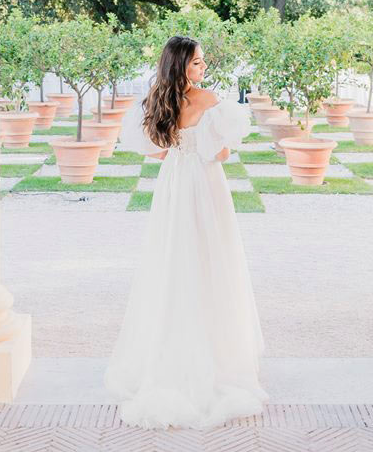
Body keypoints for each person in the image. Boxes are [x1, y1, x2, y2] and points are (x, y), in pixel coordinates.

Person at [104, 35, 268, 429]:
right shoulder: (209, 101)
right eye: (196, 63)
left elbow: (156, 149)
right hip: (205, 185)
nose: (203, 67)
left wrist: (180, 147)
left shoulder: (158, 99)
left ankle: (169, 352)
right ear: (181, 66)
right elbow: (220, 152)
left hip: (174, 183)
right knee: (212, 256)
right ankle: (217, 356)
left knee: (173, 258)